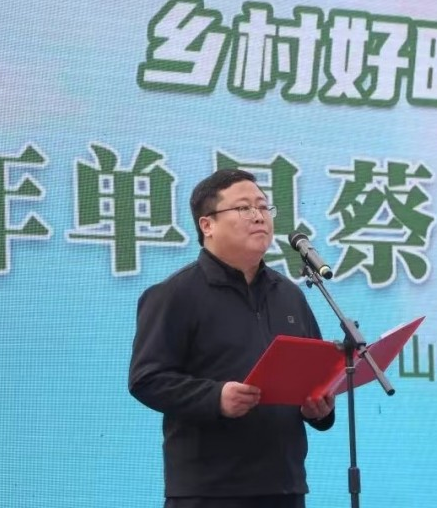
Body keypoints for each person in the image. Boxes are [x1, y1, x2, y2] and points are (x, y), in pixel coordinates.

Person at [129, 168, 335, 508]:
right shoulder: (175, 294)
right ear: (207, 225)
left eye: (263, 207)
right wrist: (216, 397)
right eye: (243, 208)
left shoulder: (289, 295)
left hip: (284, 487)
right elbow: (146, 379)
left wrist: (319, 409)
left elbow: (313, 377)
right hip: (209, 491)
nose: (258, 216)